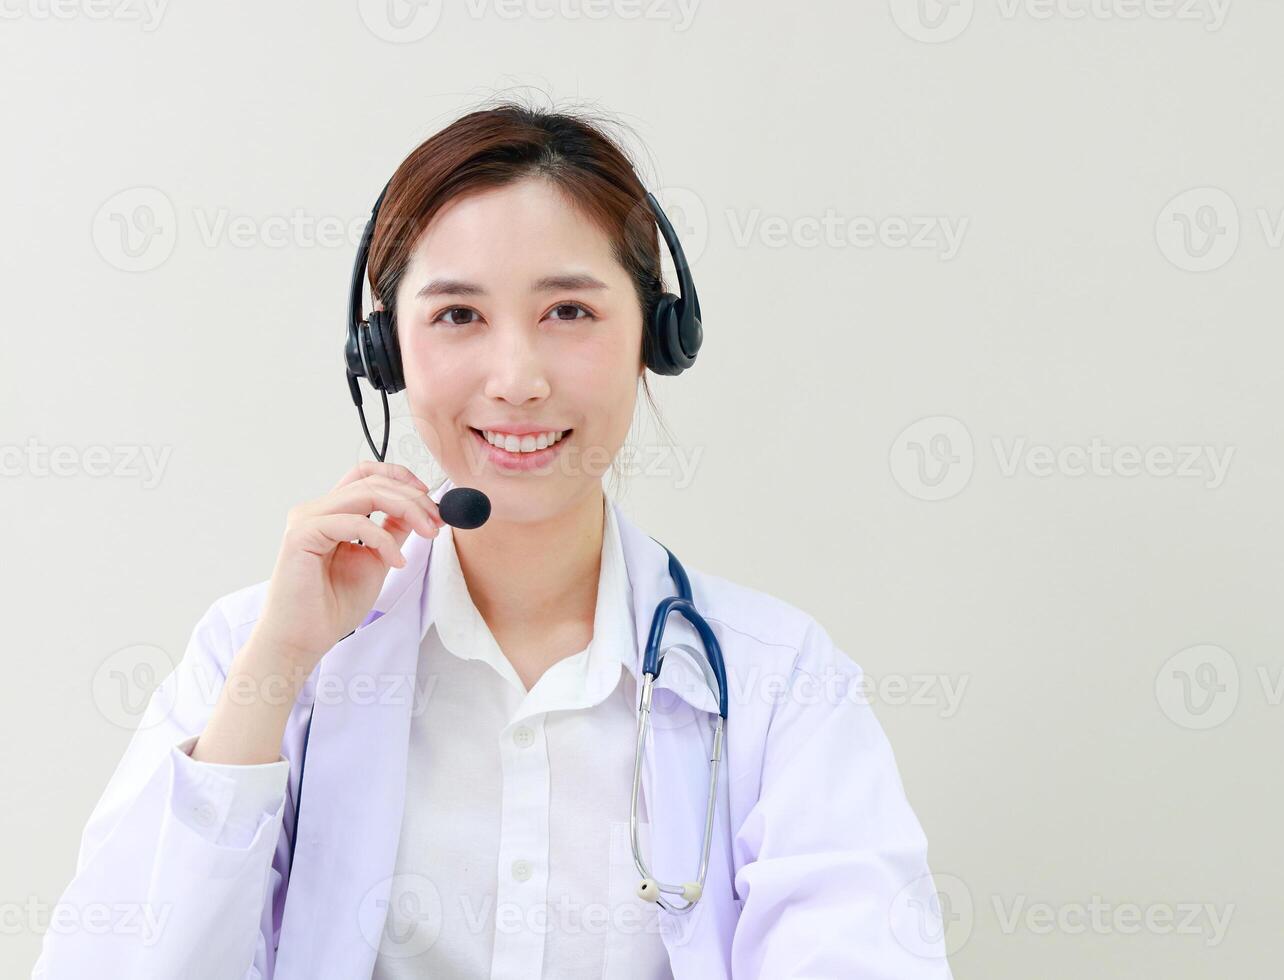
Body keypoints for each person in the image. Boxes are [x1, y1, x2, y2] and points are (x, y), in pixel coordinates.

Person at [34, 99, 952, 979]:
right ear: (384, 352)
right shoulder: (255, 652)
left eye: (569, 311)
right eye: (458, 315)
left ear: (658, 336)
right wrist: (276, 667)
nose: (516, 380)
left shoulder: (778, 682)